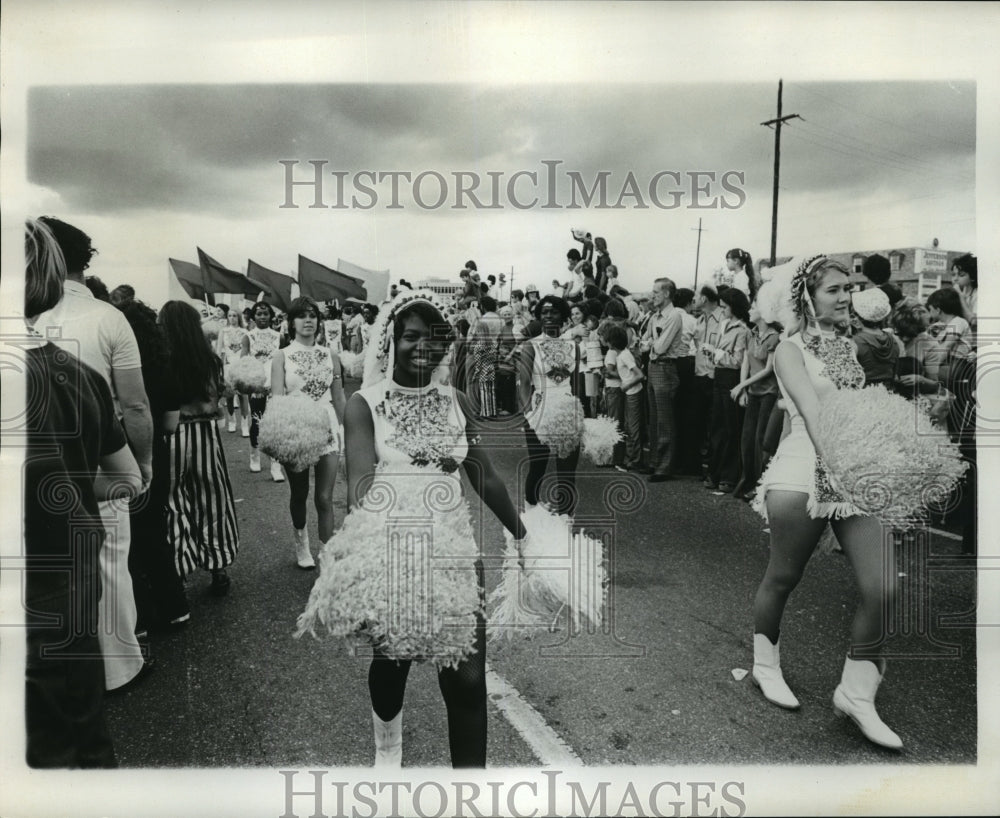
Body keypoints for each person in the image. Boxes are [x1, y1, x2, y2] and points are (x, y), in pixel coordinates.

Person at [300, 290, 526, 768]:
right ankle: (388, 745)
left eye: (433, 339)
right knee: (392, 665)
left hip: (455, 555)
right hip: (393, 553)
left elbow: (485, 475)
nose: (422, 347)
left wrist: (525, 535)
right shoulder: (365, 403)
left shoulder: (456, 401)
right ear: (391, 342)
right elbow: (361, 487)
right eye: (411, 337)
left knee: (465, 681)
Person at [751, 256, 901, 750]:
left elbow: (857, 407)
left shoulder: (845, 348)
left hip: (851, 470)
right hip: (803, 470)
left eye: (848, 289)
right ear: (808, 299)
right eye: (834, 289)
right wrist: (840, 461)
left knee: (883, 588)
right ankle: (764, 665)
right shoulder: (789, 350)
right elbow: (814, 414)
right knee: (783, 577)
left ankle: (856, 695)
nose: (845, 297)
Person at [23, 219, 142, 767]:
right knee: (81, 745)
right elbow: (126, 474)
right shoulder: (78, 372)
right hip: (66, 583)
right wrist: (67, 486)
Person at [160, 301, 241, 597]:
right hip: (205, 432)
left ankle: (180, 569)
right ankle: (218, 565)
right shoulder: (209, 360)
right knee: (213, 498)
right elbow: (219, 394)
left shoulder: (163, 359)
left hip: (174, 435)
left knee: (174, 501)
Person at [269, 297, 347, 569]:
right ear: (291, 323)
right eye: (301, 316)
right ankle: (301, 543)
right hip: (296, 430)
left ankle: (327, 555)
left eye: (313, 315)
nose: (308, 320)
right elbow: (277, 397)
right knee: (299, 494)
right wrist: (279, 436)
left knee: (325, 497)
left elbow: (339, 398)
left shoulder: (331, 355)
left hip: (327, 428)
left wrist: (345, 429)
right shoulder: (281, 356)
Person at [519, 295, 582, 515]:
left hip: (567, 412)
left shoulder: (574, 346)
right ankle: (531, 517)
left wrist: (581, 414)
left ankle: (566, 521)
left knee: (566, 472)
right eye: (544, 312)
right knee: (538, 467)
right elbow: (524, 384)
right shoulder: (530, 345)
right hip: (539, 411)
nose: (548, 316)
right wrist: (529, 415)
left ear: (563, 316)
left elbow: (576, 384)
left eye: (553, 312)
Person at [702, 287, 751, 492]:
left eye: (725, 306)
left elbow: (737, 361)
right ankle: (714, 472)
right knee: (717, 427)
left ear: (734, 308)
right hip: (719, 376)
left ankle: (728, 476)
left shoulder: (743, 331)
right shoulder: (724, 325)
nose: (722, 309)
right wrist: (715, 354)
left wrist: (716, 352)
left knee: (731, 427)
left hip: (731, 378)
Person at [731, 297, 780, 500]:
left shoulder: (774, 337)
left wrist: (742, 385)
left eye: (753, 307)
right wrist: (743, 389)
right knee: (747, 439)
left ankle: (760, 486)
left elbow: (769, 369)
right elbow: (746, 362)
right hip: (753, 391)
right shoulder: (751, 333)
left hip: (768, 393)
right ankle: (747, 481)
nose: (749, 310)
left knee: (761, 440)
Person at [639, 278, 686, 482]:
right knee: (654, 417)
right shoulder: (654, 316)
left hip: (666, 367)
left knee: (665, 419)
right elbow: (643, 343)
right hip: (653, 366)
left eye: (656, 291)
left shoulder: (674, 315)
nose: (652, 295)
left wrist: (651, 344)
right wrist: (650, 344)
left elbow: (659, 347)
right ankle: (654, 461)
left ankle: (664, 467)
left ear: (667, 294)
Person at [241, 301, 285, 481]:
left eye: (265, 313)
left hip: (275, 384)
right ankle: (255, 455)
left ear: (271, 316)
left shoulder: (279, 336)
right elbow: (243, 360)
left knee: (275, 423)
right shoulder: (248, 336)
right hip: (257, 385)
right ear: (253, 316)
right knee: (257, 421)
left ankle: (276, 465)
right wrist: (248, 381)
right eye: (258, 314)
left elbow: (284, 360)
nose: (262, 317)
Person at [891, 298, 947, 400]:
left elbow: (934, 384)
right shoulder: (888, 336)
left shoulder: (930, 344)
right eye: (900, 333)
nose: (904, 339)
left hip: (912, 396)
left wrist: (920, 379)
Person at [606, 324, 644, 472]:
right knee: (630, 426)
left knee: (633, 428)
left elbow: (640, 375)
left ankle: (636, 460)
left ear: (612, 342)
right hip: (630, 394)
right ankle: (631, 459)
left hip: (633, 393)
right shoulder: (623, 355)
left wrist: (627, 385)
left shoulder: (624, 356)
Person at [850, 288, 898, 390]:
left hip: (863, 395)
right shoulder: (893, 340)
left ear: (856, 320)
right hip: (888, 393)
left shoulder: (855, 342)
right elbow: (894, 374)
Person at [218, 308, 251, 435]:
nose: (232, 318)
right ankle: (232, 421)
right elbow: (218, 350)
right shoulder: (223, 331)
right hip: (228, 366)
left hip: (242, 366)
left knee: (243, 395)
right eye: (229, 316)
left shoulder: (245, 331)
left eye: (235, 316)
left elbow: (248, 350)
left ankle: (244, 425)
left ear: (239, 317)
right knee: (230, 396)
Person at [926, 287, 973, 363]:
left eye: (930, 309)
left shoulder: (958, 322)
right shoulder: (942, 325)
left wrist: (932, 365)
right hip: (949, 362)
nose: (929, 313)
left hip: (957, 363)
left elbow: (947, 345)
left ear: (938, 310)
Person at [950, 253, 977, 331]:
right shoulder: (953, 294)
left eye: (961, 275)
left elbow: (974, 321)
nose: (955, 279)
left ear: (972, 277)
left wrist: (961, 298)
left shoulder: (977, 295)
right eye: (953, 275)